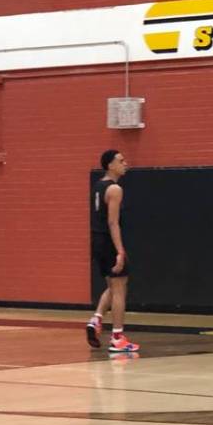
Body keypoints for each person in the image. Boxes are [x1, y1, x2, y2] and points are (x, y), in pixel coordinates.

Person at [85, 150, 139, 353]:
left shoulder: (98, 185)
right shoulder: (115, 189)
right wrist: (120, 251)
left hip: (97, 240)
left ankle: (96, 320)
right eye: (121, 161)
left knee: (112, 284)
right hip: (108, 241)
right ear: (110, 165)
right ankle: (117, 338)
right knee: (119, 288)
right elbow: (113, 222)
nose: (126, 163)